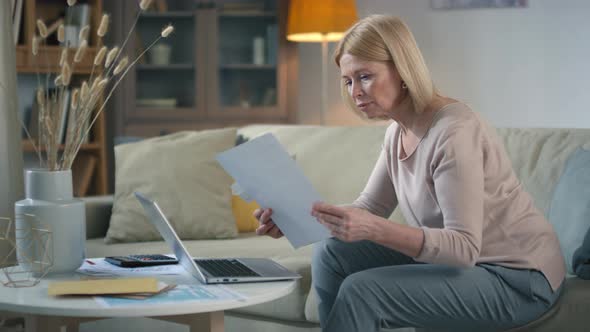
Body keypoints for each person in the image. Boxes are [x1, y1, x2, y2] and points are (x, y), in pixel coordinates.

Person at [254, 15, 565, 332]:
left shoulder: (453, 132)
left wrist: (374, 229)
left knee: (365, 291)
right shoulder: (396, 132)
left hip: (517, 277)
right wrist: (297, 219)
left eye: (364, 76)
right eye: (348, 81)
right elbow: (369, 208)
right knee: (331, 250)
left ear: (402, 69)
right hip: (469, 265)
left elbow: (463, 248)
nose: (354, 91)